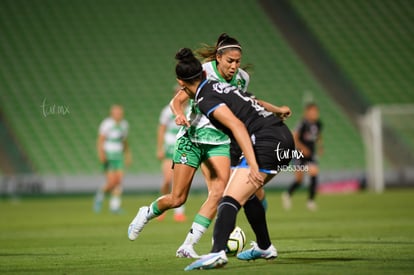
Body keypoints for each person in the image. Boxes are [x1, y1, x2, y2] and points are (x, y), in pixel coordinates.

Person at [167, 48, 294, 270]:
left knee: (228, 198)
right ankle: (264, 246)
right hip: (283, 136)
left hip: (266, 141)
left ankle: (216, 253)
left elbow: (237, 126)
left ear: (181, 82)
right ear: (204, 74)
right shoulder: (221, 86)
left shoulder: (206, 98)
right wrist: (278, 110)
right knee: (249, 195)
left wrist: (253, 164)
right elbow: (254, 102)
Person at [282, 103, 323, 211]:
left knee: (314, 172)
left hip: (310, 155)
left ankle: (311, 201)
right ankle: (288, 194)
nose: (315, 114)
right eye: (312, 111)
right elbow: (294, 137)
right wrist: (302, 148)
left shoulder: (318, 124)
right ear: (307, 112)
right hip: (299, 155)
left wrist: (320, 146)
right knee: (300, 180)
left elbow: (318, 136)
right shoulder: (302, 124)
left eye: (316, 111)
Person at [156, 86, 188, 222]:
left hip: (183, 146)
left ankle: (179, 212)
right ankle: (162, 206)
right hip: (170, 146)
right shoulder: (167, 111)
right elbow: (161, 129)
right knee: (167, 180)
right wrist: (160, 148)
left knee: (179, 180)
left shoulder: (190, 110)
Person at [94, 105, 131, 213]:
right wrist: (101, 154)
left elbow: (124, 141)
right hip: (109, 155)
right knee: (111, 182)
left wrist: (128, 155)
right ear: (112, 114)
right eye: (116, 113)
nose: (119, 115)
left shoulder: (124, 125)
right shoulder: (107, 124)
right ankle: (99, 196)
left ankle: (115, 206)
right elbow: (100, 140)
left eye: (120, 113)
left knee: (119, 181)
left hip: (118, 156)